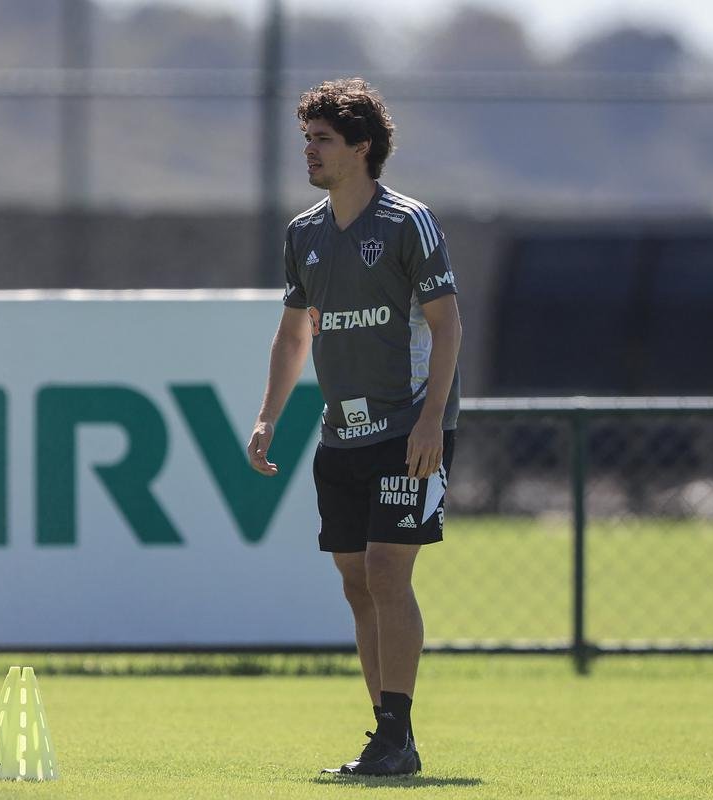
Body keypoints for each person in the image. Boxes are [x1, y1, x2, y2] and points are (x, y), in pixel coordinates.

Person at [247, 77, 462, 777]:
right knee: (354, 580)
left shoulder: (407, 223)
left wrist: (431, 421)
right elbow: (293, 336)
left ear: (362, 147)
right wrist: (268, 416)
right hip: (341, 433)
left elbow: (447, 324)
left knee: (385, 570)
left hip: (409, 430)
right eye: (305, 138)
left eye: (323, 139)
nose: (309, 150)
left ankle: (395, 733)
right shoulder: (303, 234)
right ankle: (387, 737)